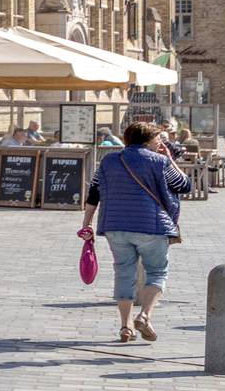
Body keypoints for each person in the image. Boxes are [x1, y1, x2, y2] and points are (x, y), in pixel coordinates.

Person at [78, 120, 192, 344]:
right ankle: (145, 316)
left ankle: (125, 326)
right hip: (151, 226)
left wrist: (87, 224)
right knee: (157, 272)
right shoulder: (160, 161)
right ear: (149, 140)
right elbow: (184, 185)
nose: (161, 143)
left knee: (124, 273)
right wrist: (169, 157)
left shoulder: (107, 161)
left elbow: (93, 193)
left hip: (114, 226)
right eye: (158, 139)